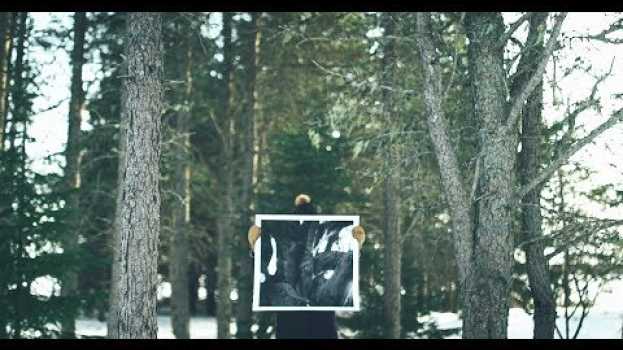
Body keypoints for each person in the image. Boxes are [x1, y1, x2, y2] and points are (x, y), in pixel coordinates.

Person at [247, 194, 365, 339]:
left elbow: (345, 266)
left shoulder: (315, 265)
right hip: (308, 325)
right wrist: (255, 249)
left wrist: (356, 249)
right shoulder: (285, 278)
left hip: (302, 325)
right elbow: (262, 274)